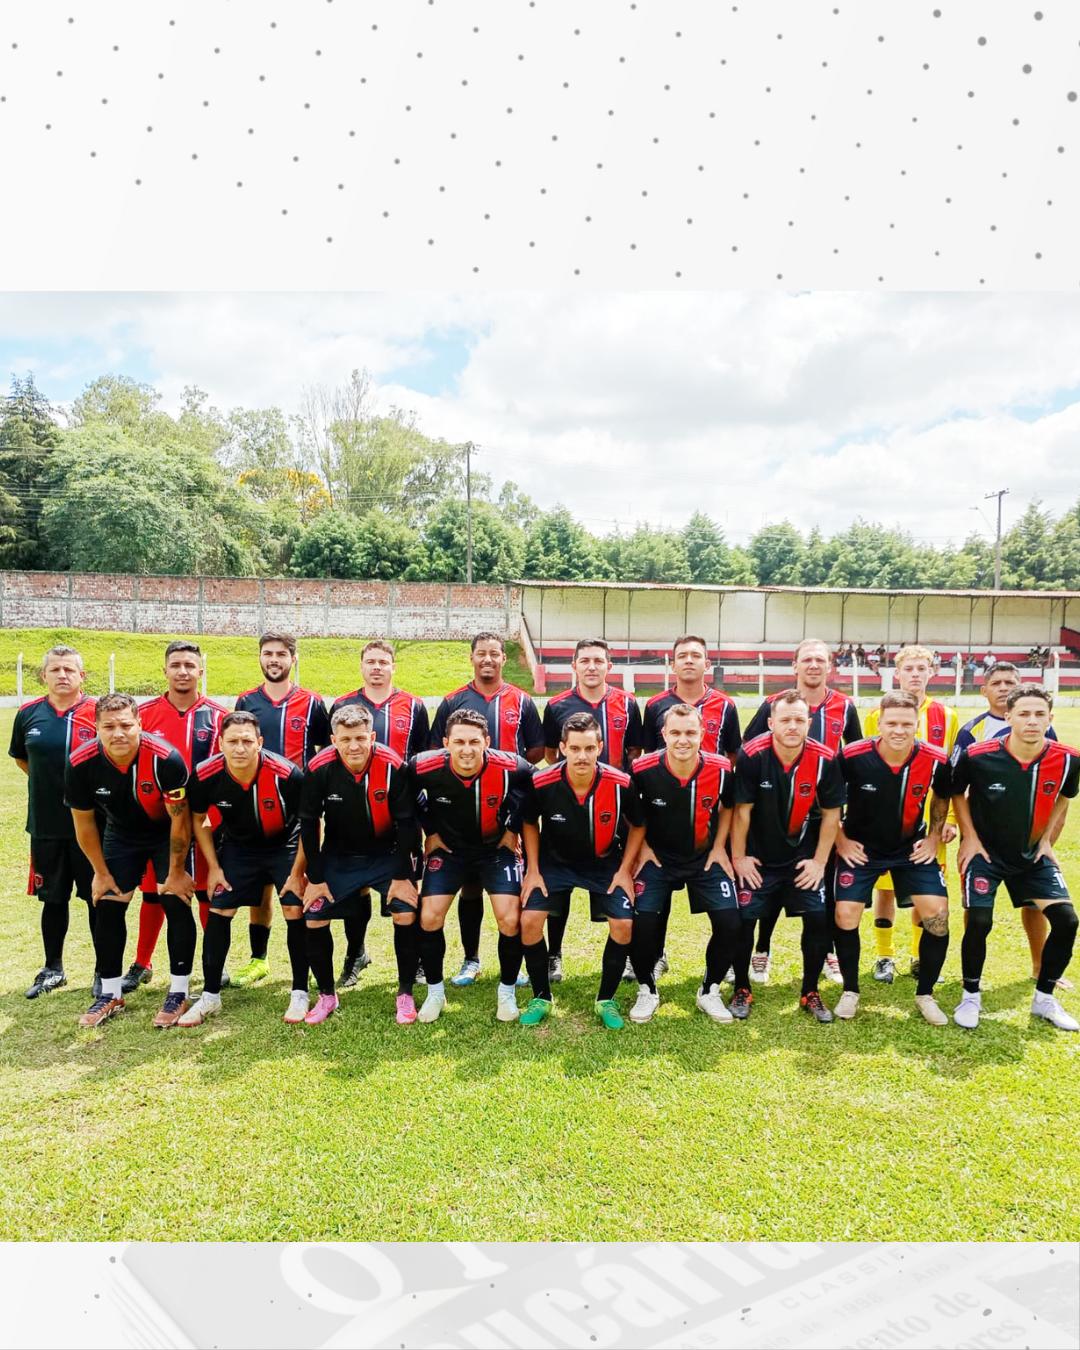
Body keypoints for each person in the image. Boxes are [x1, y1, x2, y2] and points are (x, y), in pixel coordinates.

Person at [950, 686, 1079, 1031]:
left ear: (1050, 718)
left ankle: (1045, 999)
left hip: (1032, 855)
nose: (1032, 721)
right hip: (986, 854)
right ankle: (971, 995)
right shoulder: (978, 755)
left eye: (1040, 714)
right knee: (978, 921)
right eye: (1023, 714)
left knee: (1067, 921)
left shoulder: (1068, 758)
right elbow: (957, 794)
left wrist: (1048, 840)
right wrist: (970, 838)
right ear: (1008, 717)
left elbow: (1065, 797)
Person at [64, 694, 195, 1029]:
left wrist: (177, 871)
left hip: (165, 832)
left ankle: (179, 991)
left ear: (140, 724)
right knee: (107, 903)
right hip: (121, 834)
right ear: (96, 728)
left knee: (174, 899)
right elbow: (84, 824)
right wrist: (100, 873)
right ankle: (110, 993)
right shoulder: (81, 762)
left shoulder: (166, 758)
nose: (118, 733)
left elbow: (180, 820)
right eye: (109, 726)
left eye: (126, 725)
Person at [742, 638, 861, 986]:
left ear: (829, 667)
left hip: (821, 816)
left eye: (819, 660)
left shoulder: (845, 706)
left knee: (820, 890)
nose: (813, 665)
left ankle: (827, 954)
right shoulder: (772, 705)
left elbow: (852, 759)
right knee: (770, 887)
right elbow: (748, 751)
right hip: (774, 811)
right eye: (806, 659)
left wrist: (842, 824)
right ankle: (761, 949)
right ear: (794, 666)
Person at [179, 711, 310, 1026]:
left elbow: (309, 824)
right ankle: (210, 997)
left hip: (285, 845)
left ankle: (300, 993)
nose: (240, 748)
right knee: (219, 910)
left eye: (247, 741)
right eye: (233, 741)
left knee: (294, 909)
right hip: (239, 848)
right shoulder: (204, 774)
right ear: (220, 743)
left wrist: (297, 872)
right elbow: (197, 820)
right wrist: (213, 867)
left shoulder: (287, 774)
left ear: (260, 743)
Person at [429, 632, 544, 988]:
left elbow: (537, 750)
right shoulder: (452, 701)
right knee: (470, 888)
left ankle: (516, 965)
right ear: (472, 658)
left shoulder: (522, 701)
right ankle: (471, 959)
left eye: (495, 654)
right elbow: (436, 753)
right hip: (463, 808)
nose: (488, 660)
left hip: (505, 807)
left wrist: (504, 777)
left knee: (508, 891)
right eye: (482, 654)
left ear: (503, 659)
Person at [520, 712, 646, 1030]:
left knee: (623, 924)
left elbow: (639, 825)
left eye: (589, 748)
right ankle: (541, 996)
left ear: (600, 747)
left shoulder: (620, 783)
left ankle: (606, 999)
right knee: (530, 921)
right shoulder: (542, 781)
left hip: (603, 862)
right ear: (562, 748)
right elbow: (528, 823)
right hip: (555, 862)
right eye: (575, 748)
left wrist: (624, 870)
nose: (582, 756)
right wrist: (533, 870)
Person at [833, 692, 953, 1025]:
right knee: (845, 914)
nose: (899, 730)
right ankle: (850, 990)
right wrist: (841, 840)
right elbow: (826, 797)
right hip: (861, 848)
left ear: (917, 724)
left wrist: (932, 838)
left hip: (910, 848)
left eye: (906, 724)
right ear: (879, 723)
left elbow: (942, 796)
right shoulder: (853, 755)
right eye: (892, 723)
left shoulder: (935, 758)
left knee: (937, 915)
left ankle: (925, 994)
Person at [409, 709, 535, 1024]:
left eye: (474, 742)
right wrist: (431, 830)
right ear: (446, 743)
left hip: (495, 850)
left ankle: (506, 992)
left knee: (509, 918)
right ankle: (435, 993)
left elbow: (534, 787)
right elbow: (405, 793)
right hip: (449, 851)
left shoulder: (510, 766)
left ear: (486, 742)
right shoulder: (423, 766)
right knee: (429, 915)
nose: (467, 749)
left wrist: (511, 827)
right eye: (460, 742)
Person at [298, 705, 422, 1024]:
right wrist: (315, 876)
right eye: (345, 739)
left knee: (405, 910)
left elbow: (408, 823)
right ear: (333, 740)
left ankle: (405, 994)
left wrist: (401, 875)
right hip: (340, 855)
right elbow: (309, 823)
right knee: (313, 914)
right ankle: (327, 996)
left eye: (360, 738)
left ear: (372, 736)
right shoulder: (319, 767)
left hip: (387, 853)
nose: (354, 746)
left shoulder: (394, 765)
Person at [729, 690, 844, 1024]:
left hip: (802, 860)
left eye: (799, 720)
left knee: (818, 918)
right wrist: (740, 858)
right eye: (785, 719)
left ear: (809, 723)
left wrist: (820, 862)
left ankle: (810, 991)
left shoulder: (825, 757)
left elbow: (833, 814)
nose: (792, 726)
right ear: (770, 722)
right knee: (744, 920)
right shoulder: (752, 754)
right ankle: (742, 987)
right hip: (759, 860)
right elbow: (742, 813)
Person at [122, 641, 227, 996]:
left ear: (201, 671)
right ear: (165, 670)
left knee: (206, 894)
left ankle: (215, 964)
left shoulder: (217, 716)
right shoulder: (145, 714)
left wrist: (213, 818)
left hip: (203, 820)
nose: (183, 671)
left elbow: (225, 769)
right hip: (157, 823)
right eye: (176, 665)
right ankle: (142, 963)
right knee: (154, 893)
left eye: (190, 665)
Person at [540, 638, 643, 983]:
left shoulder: (628, 703)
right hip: (571, 800)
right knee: (560, 883)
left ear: (608, 666)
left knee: (625, 882)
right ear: (574, 666)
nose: (592, 666)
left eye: (599, 660)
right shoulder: (556, 706)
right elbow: (553, 756)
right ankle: (553, 955)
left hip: (615, 805)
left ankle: (629, 956)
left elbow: (634, 753)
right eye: (584, 660)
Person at [640, 634, 742, 982]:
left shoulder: (725, 706)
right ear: (672, 663)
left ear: (707, 664)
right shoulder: (655, 706)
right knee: (657, 896)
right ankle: (655, 954)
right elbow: (645, 760)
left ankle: (721, 967)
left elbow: (732, 756)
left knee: (724, 909)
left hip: (707, 809)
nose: (688, 661)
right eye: (681, 655)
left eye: (695, 655)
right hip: (665, 809)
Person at [233, 632, 331, 988]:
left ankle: (305, 965)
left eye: (280, 654)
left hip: (299, 809)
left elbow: (324, 750)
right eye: (267, 653)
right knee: (260, 888)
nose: (274, 659)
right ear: (260, 658)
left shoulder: (312, 703)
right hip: (255, 806)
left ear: (293, 659)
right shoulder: (246, 701)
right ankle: (258, 959)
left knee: (298, 886)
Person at [630, 704, 738, 1024]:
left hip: (704, 857)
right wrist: (645, 848)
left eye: (691, 732)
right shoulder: (642, 769)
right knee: (642, 923)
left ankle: (710, 989)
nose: (683, 739)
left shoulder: (720, 769)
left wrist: (720, 848)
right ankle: (647, 988)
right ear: (663, 734)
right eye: (675, 732)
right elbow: (632, 815)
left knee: (731, 921)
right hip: (658, 858)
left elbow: (728, 807)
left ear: (702, 734)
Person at [331, 639, 430, 987]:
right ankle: (356, 952)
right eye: (370, 661)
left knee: (405, 884)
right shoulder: (343, 704)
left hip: (399, 811)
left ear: (392, 667)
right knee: (355, 888)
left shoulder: (414, 706)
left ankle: (415, 961)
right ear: (361, 666)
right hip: (354, 812)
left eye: (383, 661)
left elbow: (422, 756)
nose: (376, 667)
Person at [863, 644, 959, 983]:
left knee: (925, 890)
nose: (915, 674)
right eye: (909, 669)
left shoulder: (946, 717)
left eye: (922, 668)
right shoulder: (876, 714)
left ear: (931, 673)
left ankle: (919, 956)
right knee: (885, 890)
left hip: (928, 824)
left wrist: (947, 821)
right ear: (897, 673)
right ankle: (884, 956)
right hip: (886, 823)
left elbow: (950, 776)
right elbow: (868, 767)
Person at [9, 645, 98, 998]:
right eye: (56, 669)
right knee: (53, 899)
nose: (63, 675)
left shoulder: (97, 712)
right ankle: (53, 968)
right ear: (44, 675)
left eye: (70, 670)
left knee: (99, 899)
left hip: (94, 826)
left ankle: (103, 970)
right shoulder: (29, 714)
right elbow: (22, 760)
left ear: (82, 676)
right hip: (46, 826)